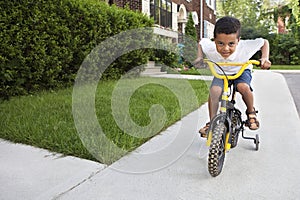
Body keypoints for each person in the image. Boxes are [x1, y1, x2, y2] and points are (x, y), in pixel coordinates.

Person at [194, 16, 272, 137]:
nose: (225, 48)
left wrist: (265, 58)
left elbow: (264, 42)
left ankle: (251, 112)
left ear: (238, 41)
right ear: (214, 40)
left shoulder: (245, 47)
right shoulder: (210, 47)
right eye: (220, 43)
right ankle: (212, 121)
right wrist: (199, 57)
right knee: (214, 91)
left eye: (231, 44)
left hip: (240, 70)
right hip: (221, 72)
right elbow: (201, 43)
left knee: (243, 87)